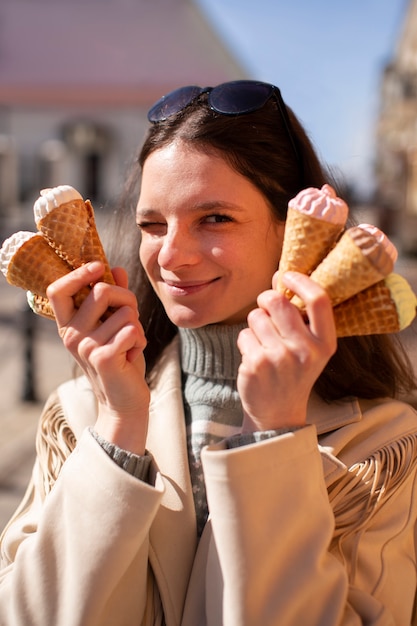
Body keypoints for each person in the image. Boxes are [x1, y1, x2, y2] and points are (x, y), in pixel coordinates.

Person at [0, 79, 417, 625]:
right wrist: (118, 428)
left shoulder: (383, 446)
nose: (171, 256)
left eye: (214, 218)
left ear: (295, 231)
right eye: (152, 224)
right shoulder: (77, 417)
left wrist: (275, 435)